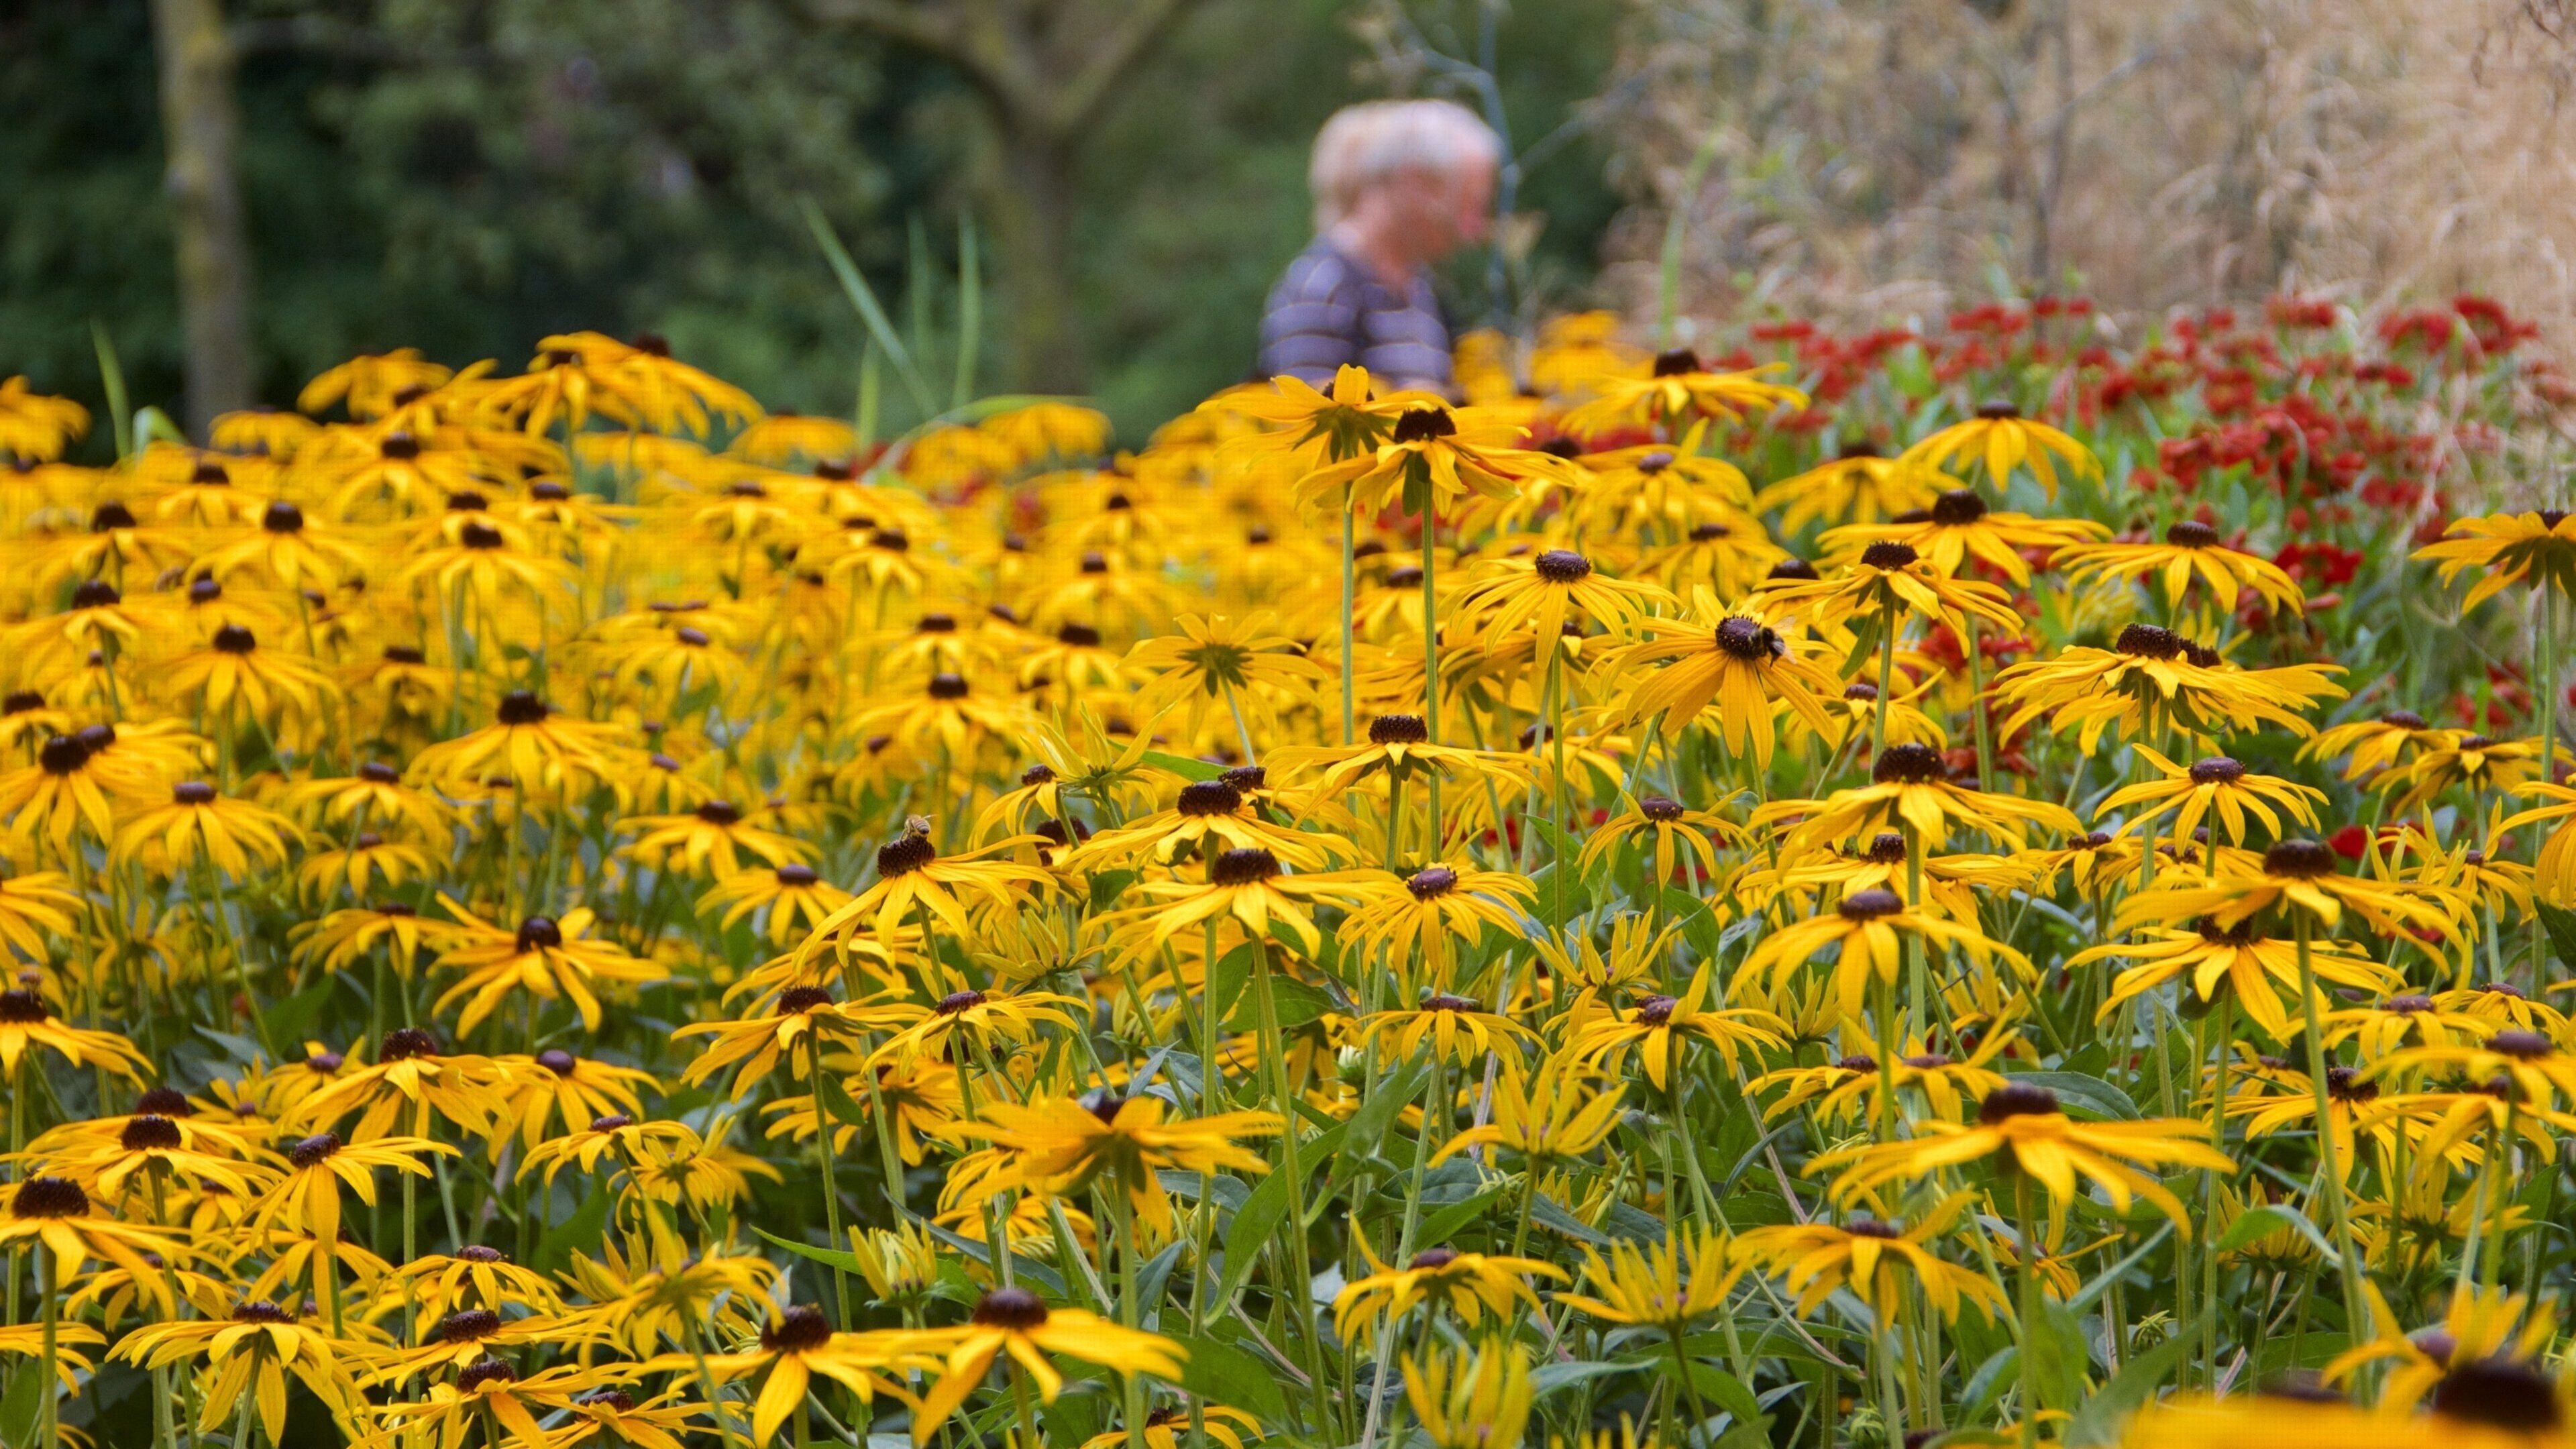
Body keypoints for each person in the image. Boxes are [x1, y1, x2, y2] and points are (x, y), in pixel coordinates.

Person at [1257, 99, 1501, 396]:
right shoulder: (1324, 288)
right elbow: (1307, 415)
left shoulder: (1420, 289)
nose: (1474, 231)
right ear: (1415, 182)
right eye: (1467, 205)